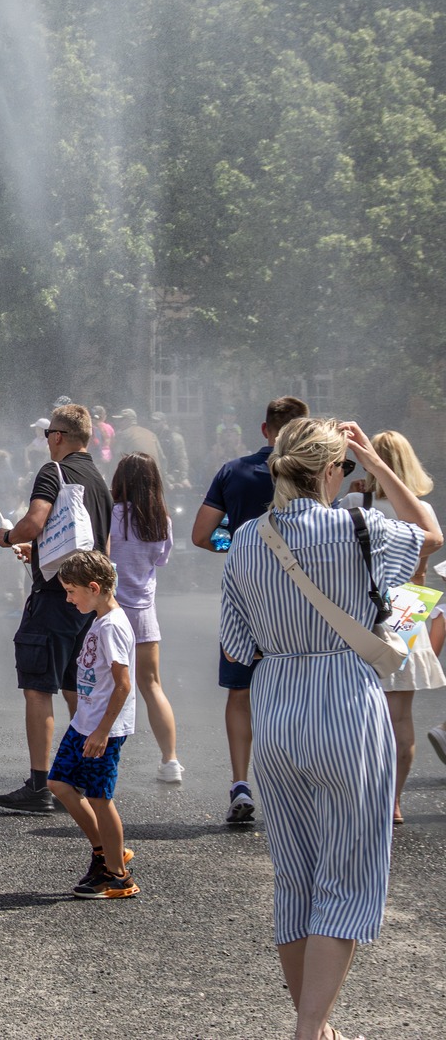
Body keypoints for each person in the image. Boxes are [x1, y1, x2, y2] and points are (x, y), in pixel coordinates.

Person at [218, 419, 439, 1040]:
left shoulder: (249, 539)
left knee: (295, 875)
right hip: (348, 702)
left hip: (278, 707)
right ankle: (311, 1029)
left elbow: (238, 645)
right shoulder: (360, 526)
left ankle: (314, 1025)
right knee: (346, 873)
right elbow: (431, 534)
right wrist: (379, 459)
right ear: (329, 471)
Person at [196, 395, 311, 826]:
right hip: (302, 599)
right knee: (300, 688)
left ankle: (240, 782)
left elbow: (202, 534)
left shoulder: (234, 471)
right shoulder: (316, 474)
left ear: (265, 430)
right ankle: (296, 784)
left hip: (246, 594)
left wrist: (236, 547)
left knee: (240, 690)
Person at [0, 404, 112, 815]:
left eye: (48, 436)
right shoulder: (99, 479)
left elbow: (35, 521)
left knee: (38, 688)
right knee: (76, 687)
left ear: (58, 436)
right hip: (86, 599)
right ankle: (78, 776)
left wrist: (8, 537)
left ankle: (40, 785)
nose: (47, 443)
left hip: (53, 598)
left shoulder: (52, 471)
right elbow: (101, 546)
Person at [347, 431, 443, 824]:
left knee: (359, 711)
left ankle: (365, 793)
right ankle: (395, 801)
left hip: (365, 607)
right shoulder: (423, 510)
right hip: (410, 605)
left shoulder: (355, 503)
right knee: (400, 716)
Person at [44, 549, 140, 899]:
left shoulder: (113, 626)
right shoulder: (101, 620)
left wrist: (102, 732)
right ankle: (104, 851)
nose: (69, 599)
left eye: (72, 591)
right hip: (85, 722)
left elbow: (124, 684)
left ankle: (118, 875)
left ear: (94, 587)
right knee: (59, 783)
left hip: (103, 729)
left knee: (100, 798)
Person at [109, 452, 181, 783]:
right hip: (144, 610)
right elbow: (163, 560)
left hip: (111, 610)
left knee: (104, 685)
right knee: (151, 685)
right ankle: (170, 761)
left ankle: (99, 758)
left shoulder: (113, 514)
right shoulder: (160, 518)